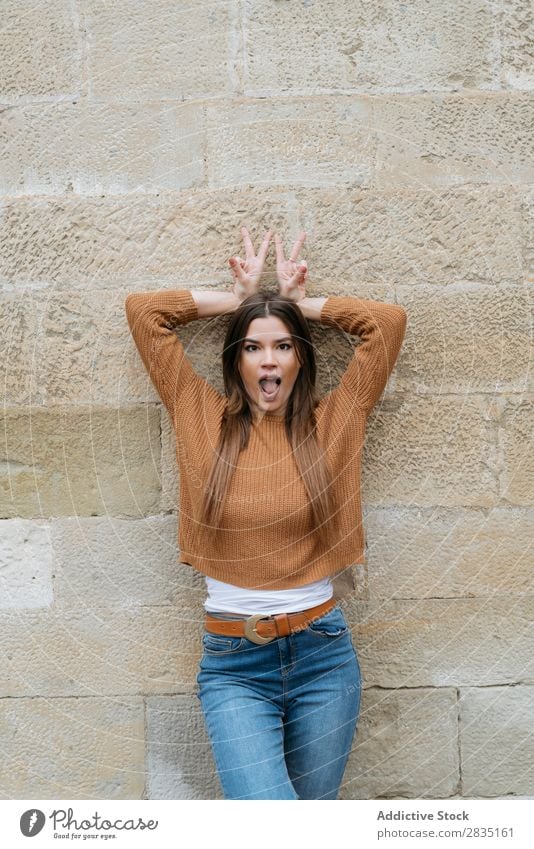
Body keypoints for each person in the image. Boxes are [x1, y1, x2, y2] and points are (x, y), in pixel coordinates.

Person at [124, 226, 407, 800]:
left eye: (283, 345)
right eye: (253, 347)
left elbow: (387, 324)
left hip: (324, 658)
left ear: (301, 358)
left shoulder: (335, 422)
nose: (268, 360)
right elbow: (144, 312)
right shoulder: (200, 417)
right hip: (233, 667)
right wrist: (242, 301)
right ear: (237, 361)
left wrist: (301, 304)